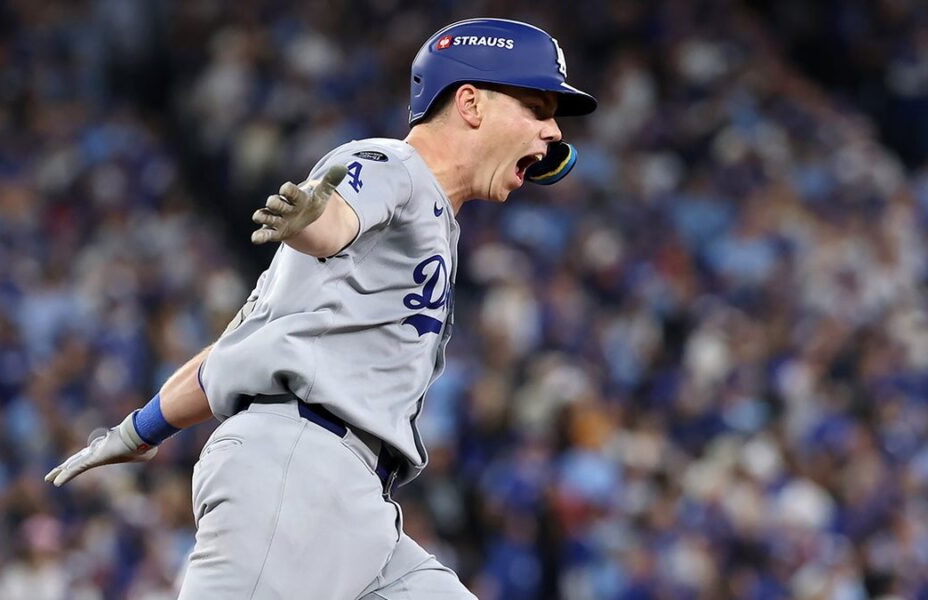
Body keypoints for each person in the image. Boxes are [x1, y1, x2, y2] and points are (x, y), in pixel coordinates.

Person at [46, 18, 597, 599]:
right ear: (470, 103)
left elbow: (238, 351)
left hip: (360, 508)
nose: (553, 132)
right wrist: (314, 220)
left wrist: (141, 429)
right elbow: (335, 217)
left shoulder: (423, 225)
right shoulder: (393, 166)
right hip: (296, 473)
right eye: (537, 108)